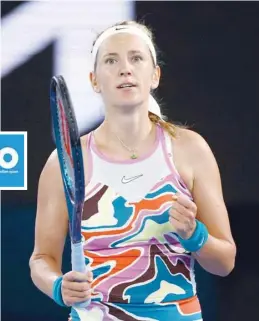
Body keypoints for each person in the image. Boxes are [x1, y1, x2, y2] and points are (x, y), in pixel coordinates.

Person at [29, 20, 236, 321]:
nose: (125, 69)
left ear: (154, 76)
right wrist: (58, 286)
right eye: (111, 60)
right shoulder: (63, 163)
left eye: (136, 58)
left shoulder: (191, 150)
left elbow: (225, 262)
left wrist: (195, 235)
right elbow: (41, 259)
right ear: (94, 80)